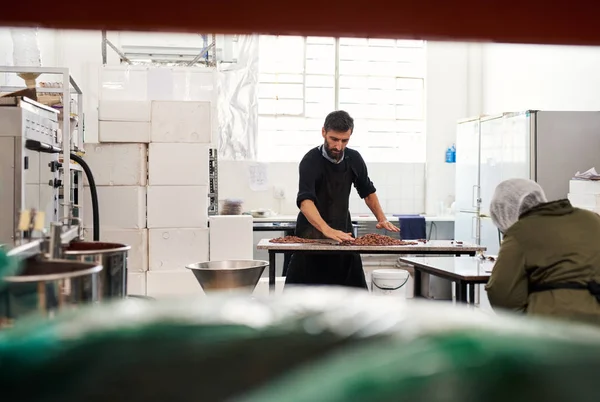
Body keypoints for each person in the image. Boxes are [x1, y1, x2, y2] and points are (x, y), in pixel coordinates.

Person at [285, 110, 399, 289]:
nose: (338, 146)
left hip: (343, 236)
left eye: (344, 140)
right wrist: (326, 229)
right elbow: (305, 202)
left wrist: (381, 218)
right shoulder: (310, 161)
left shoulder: (354, 159)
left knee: (353, 295)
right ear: (324, 132)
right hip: (310, 237)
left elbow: (367, 191)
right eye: (334, 139)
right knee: (304, 298)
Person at [485, 178, 600, 324]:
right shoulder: (592, 219)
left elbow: (501, 292)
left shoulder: (520, 232)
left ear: (507, 213)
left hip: (551, 325)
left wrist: (526, 319)